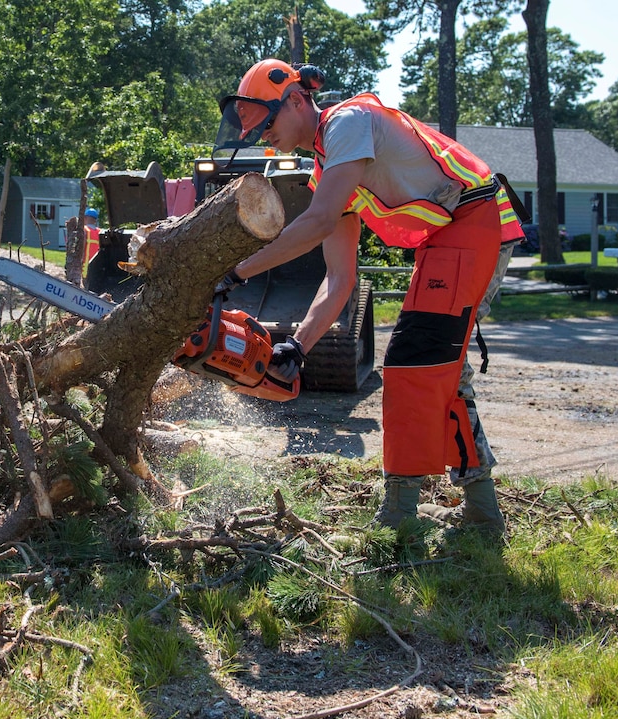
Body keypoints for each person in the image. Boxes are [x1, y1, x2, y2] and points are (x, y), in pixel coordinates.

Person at [213, 59, 526, 536]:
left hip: (476, 222)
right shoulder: (328, 170)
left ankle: (400, 516)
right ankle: (481, 514)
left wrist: (237, 272)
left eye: (269, 123)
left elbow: (316, 223)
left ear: (297, 100)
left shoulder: (348, 124)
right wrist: (299, 346)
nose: (266, 136)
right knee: (440, 369)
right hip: (447, 238)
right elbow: (340, 279)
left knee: (414, 364)